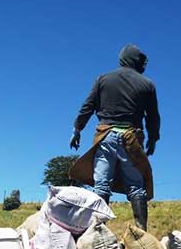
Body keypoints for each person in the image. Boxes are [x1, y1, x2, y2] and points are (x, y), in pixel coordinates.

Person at [67, 44, 160, 230]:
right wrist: (153, 138)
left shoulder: (103, 79)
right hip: (131, 139)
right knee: (136, 186)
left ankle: (97, 230)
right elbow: (153, 116)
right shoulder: (147, 84)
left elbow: (88, 106)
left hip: (106, 137)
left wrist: (77, 129)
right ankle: (142, 232)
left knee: (101, 185)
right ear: (136, 61)